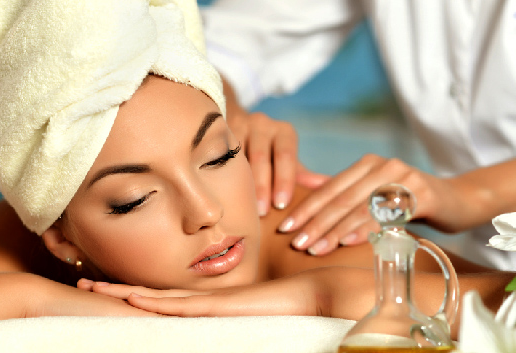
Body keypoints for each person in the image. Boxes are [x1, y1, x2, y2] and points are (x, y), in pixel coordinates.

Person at [0, 0, 510, 338]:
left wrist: (321, 294)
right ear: (62, 239)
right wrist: (43, 301)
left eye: (222, 156)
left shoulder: (327, 247)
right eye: (133, 199)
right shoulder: (49, 212)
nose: (207, 212)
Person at [199, 0, 516, 271]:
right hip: (485, 267)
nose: (205, 215)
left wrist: (473, 194)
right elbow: (219, 47)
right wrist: (225, 115)